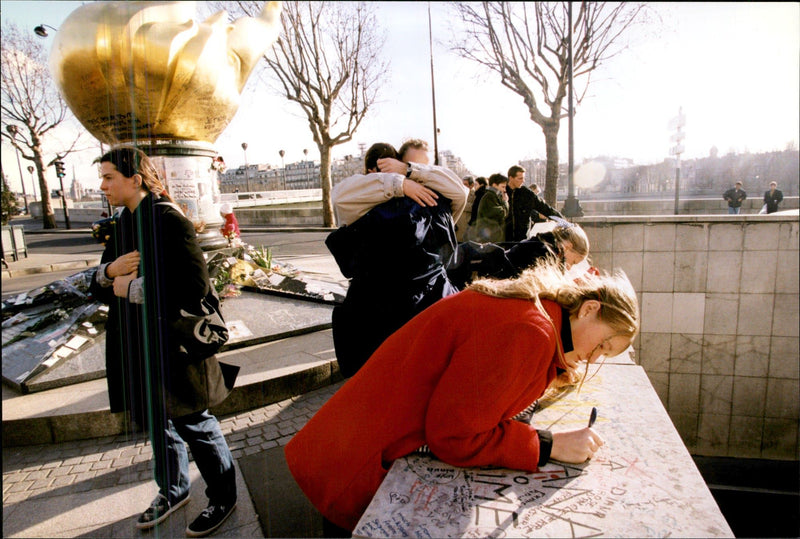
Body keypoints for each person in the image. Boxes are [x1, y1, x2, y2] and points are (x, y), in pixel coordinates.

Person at [284, 261, 640, 532]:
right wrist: (548, 445)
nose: (597, 357)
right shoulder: (531, 332)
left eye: (608, 354)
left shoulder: (533, 309)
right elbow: (455, 437)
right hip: (358, 470)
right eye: (603, 344)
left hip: (345, 446)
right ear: (589, 309)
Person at [90, 147, 238, 537]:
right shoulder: (123, 222)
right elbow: (98, 283)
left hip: (176, 344)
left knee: (195, 422)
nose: (102, 185)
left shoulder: (168, 219)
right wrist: (108, 272)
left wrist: (130, 288)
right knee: (158, 421)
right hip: (139, 344)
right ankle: (173, 489)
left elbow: (194, 287)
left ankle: (223, 495)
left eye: (108, 177)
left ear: (134, 179)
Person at [325, 139, 468, 377]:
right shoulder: (376, 197)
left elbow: (461, 192)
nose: (420, 175)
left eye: (425, 168)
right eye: (408, 164)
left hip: (431, 308)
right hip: (389, 314)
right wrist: (400, 183)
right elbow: (339, 196)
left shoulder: (439, 198)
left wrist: (411, 172)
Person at [448, 218, 591, 289]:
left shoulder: (541, 242)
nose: (570, 268)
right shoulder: (545, 253)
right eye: (573, 262)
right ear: (567, 246)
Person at [506, 165, 563, 241]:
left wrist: (562, 220)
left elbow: (545, 208)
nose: (523, 181)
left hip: (522, 240)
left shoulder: (527, 194)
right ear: (511, 178)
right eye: (520, 178)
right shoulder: (501, 192)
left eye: (524, 178)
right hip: (503, 240)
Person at [473, 173, 509, 243]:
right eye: (503, 187)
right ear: (494, 185)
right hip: (489, 239)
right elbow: (501, 213)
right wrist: (505, 202)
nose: (504, 190)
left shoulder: (494, 196)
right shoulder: (489, 197)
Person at [455, 176, 475, 241]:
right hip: (457, 224)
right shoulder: (459, 193)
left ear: (471, 185)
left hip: (467, 224)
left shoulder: (475, 194)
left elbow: (474, 207)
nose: (463, 186)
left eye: (465, 184)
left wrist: (461, 203)